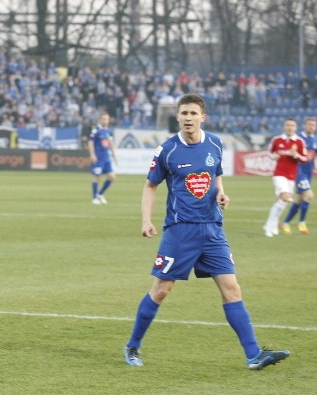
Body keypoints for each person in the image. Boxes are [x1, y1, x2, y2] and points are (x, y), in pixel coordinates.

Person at [123, 93, 290, 370]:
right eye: (183, 113)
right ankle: (133, 345)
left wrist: (221, 192)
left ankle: (254, 355)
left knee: (231, 288)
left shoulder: (215, 143)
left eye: (193, 113)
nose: (188, 118)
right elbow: (150, 185)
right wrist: (146, 220)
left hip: (213, 230)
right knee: (162, 290)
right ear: (177, 116)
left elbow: (216, 174)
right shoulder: (167, 150)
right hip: (180, 231)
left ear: (203, 117)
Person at [263, 118, 306, 237]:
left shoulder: (299, 142)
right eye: (287, 125)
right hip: (279, 174)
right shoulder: (277, 140)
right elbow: (269, 153)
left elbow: (304, 158)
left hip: (291, 176)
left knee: (281, 201)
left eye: (292, 125)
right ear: (284, 127)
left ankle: (273, 223)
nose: (290, 127)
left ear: (296, 128)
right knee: (285, 197)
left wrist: (295, 154)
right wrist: (273, 157)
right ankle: (268, 225)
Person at [280, 116, 315, 235]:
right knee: (309, 195)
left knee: (300, 200)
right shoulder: (298, 138)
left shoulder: (315, 139)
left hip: (308, 172)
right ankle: (301, 222)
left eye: (313, 125)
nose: (311, 127)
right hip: (298, 171)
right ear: (305, 125)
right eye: (309, 124)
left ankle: (285, 223)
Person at [88, 111, 117, 205]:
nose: (106, 121)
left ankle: (100, 194)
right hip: (98, 157)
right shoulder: (95, 130)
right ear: (100, 120)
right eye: (104, 119)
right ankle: (95, 197)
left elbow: (110, 144)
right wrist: (92, 154)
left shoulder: (108, 131)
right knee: (97, 176)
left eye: (107, 119)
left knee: (112, 177)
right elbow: (90, 143)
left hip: (106, 158)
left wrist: (114, 155)